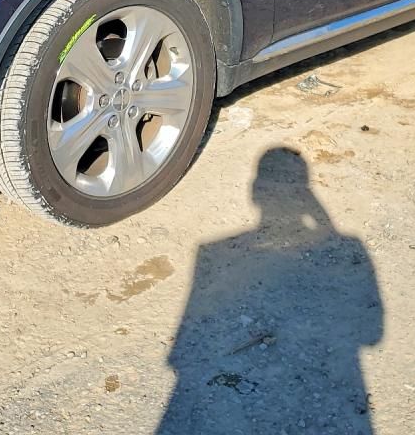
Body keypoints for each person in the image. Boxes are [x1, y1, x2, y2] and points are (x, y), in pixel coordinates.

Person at [159, 147, 383, 434]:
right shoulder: (350, 244)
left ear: (254, 193)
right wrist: (324, 223)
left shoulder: (211, 251)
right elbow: (372, 334)